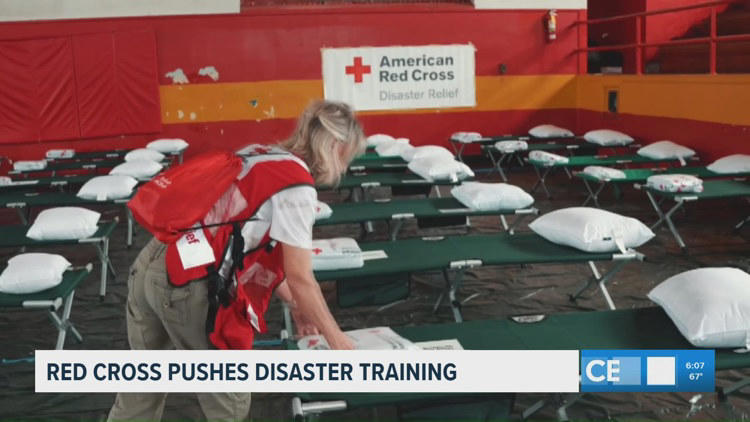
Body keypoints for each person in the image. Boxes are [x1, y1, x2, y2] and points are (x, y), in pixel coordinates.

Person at [108, 100, 365, 421]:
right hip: (187, 282)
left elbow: (248, 244)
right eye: (347, 157)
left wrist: (297, 308)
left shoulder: (259, 154)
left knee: (142, 389)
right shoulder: (297, 189)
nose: (344, 167)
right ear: (336, 147)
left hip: (155, 259)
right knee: (229, 406)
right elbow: (301, 278)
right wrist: (338, 341)